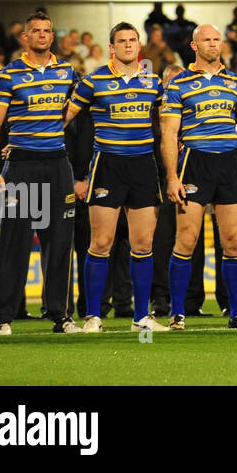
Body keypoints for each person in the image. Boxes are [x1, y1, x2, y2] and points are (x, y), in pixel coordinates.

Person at [162, 24, 237, 330]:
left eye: (216, 39)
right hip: (194, 161)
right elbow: (169, 133)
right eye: (206, 39)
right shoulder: (179, 84)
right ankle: (177, 312)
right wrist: (172, 176)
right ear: (194, 45)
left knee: (234, 240)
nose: (213, 44)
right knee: (187, 238)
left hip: (229, 163)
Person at [64, 23, 166, 334]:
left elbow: (168, 124)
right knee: (101, 242)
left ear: (139, 45)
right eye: (121, 41)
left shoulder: (154, 83)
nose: (127, 45)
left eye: (132, 40)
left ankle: (141, 318)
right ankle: (93, 315)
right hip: (107, 165)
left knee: (143, 243)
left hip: (143, 166)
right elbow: (64, 118)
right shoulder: (93, 81)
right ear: (111, 47)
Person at [0, 10, 81, 336]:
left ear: (52, 36)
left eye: (47, 30)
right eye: (36, 31)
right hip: (21, 166)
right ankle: (5, 317)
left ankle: (60, 315)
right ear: (25, 37)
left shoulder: (68, 71)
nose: (42, 35)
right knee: (15, 242)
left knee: (60, 241)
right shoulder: (9, 75)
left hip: (57, 162)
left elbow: (74, 110)